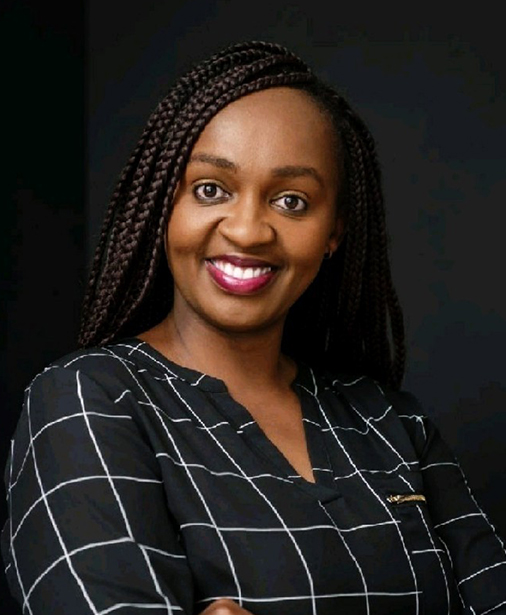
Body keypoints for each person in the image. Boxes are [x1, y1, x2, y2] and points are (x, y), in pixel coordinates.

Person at [2, 41, 505, 615]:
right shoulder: (87, 402)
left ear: (333, 232)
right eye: (210, 189)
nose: (247, 230)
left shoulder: (393, 424)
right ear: (165, 203)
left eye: (291, 201)